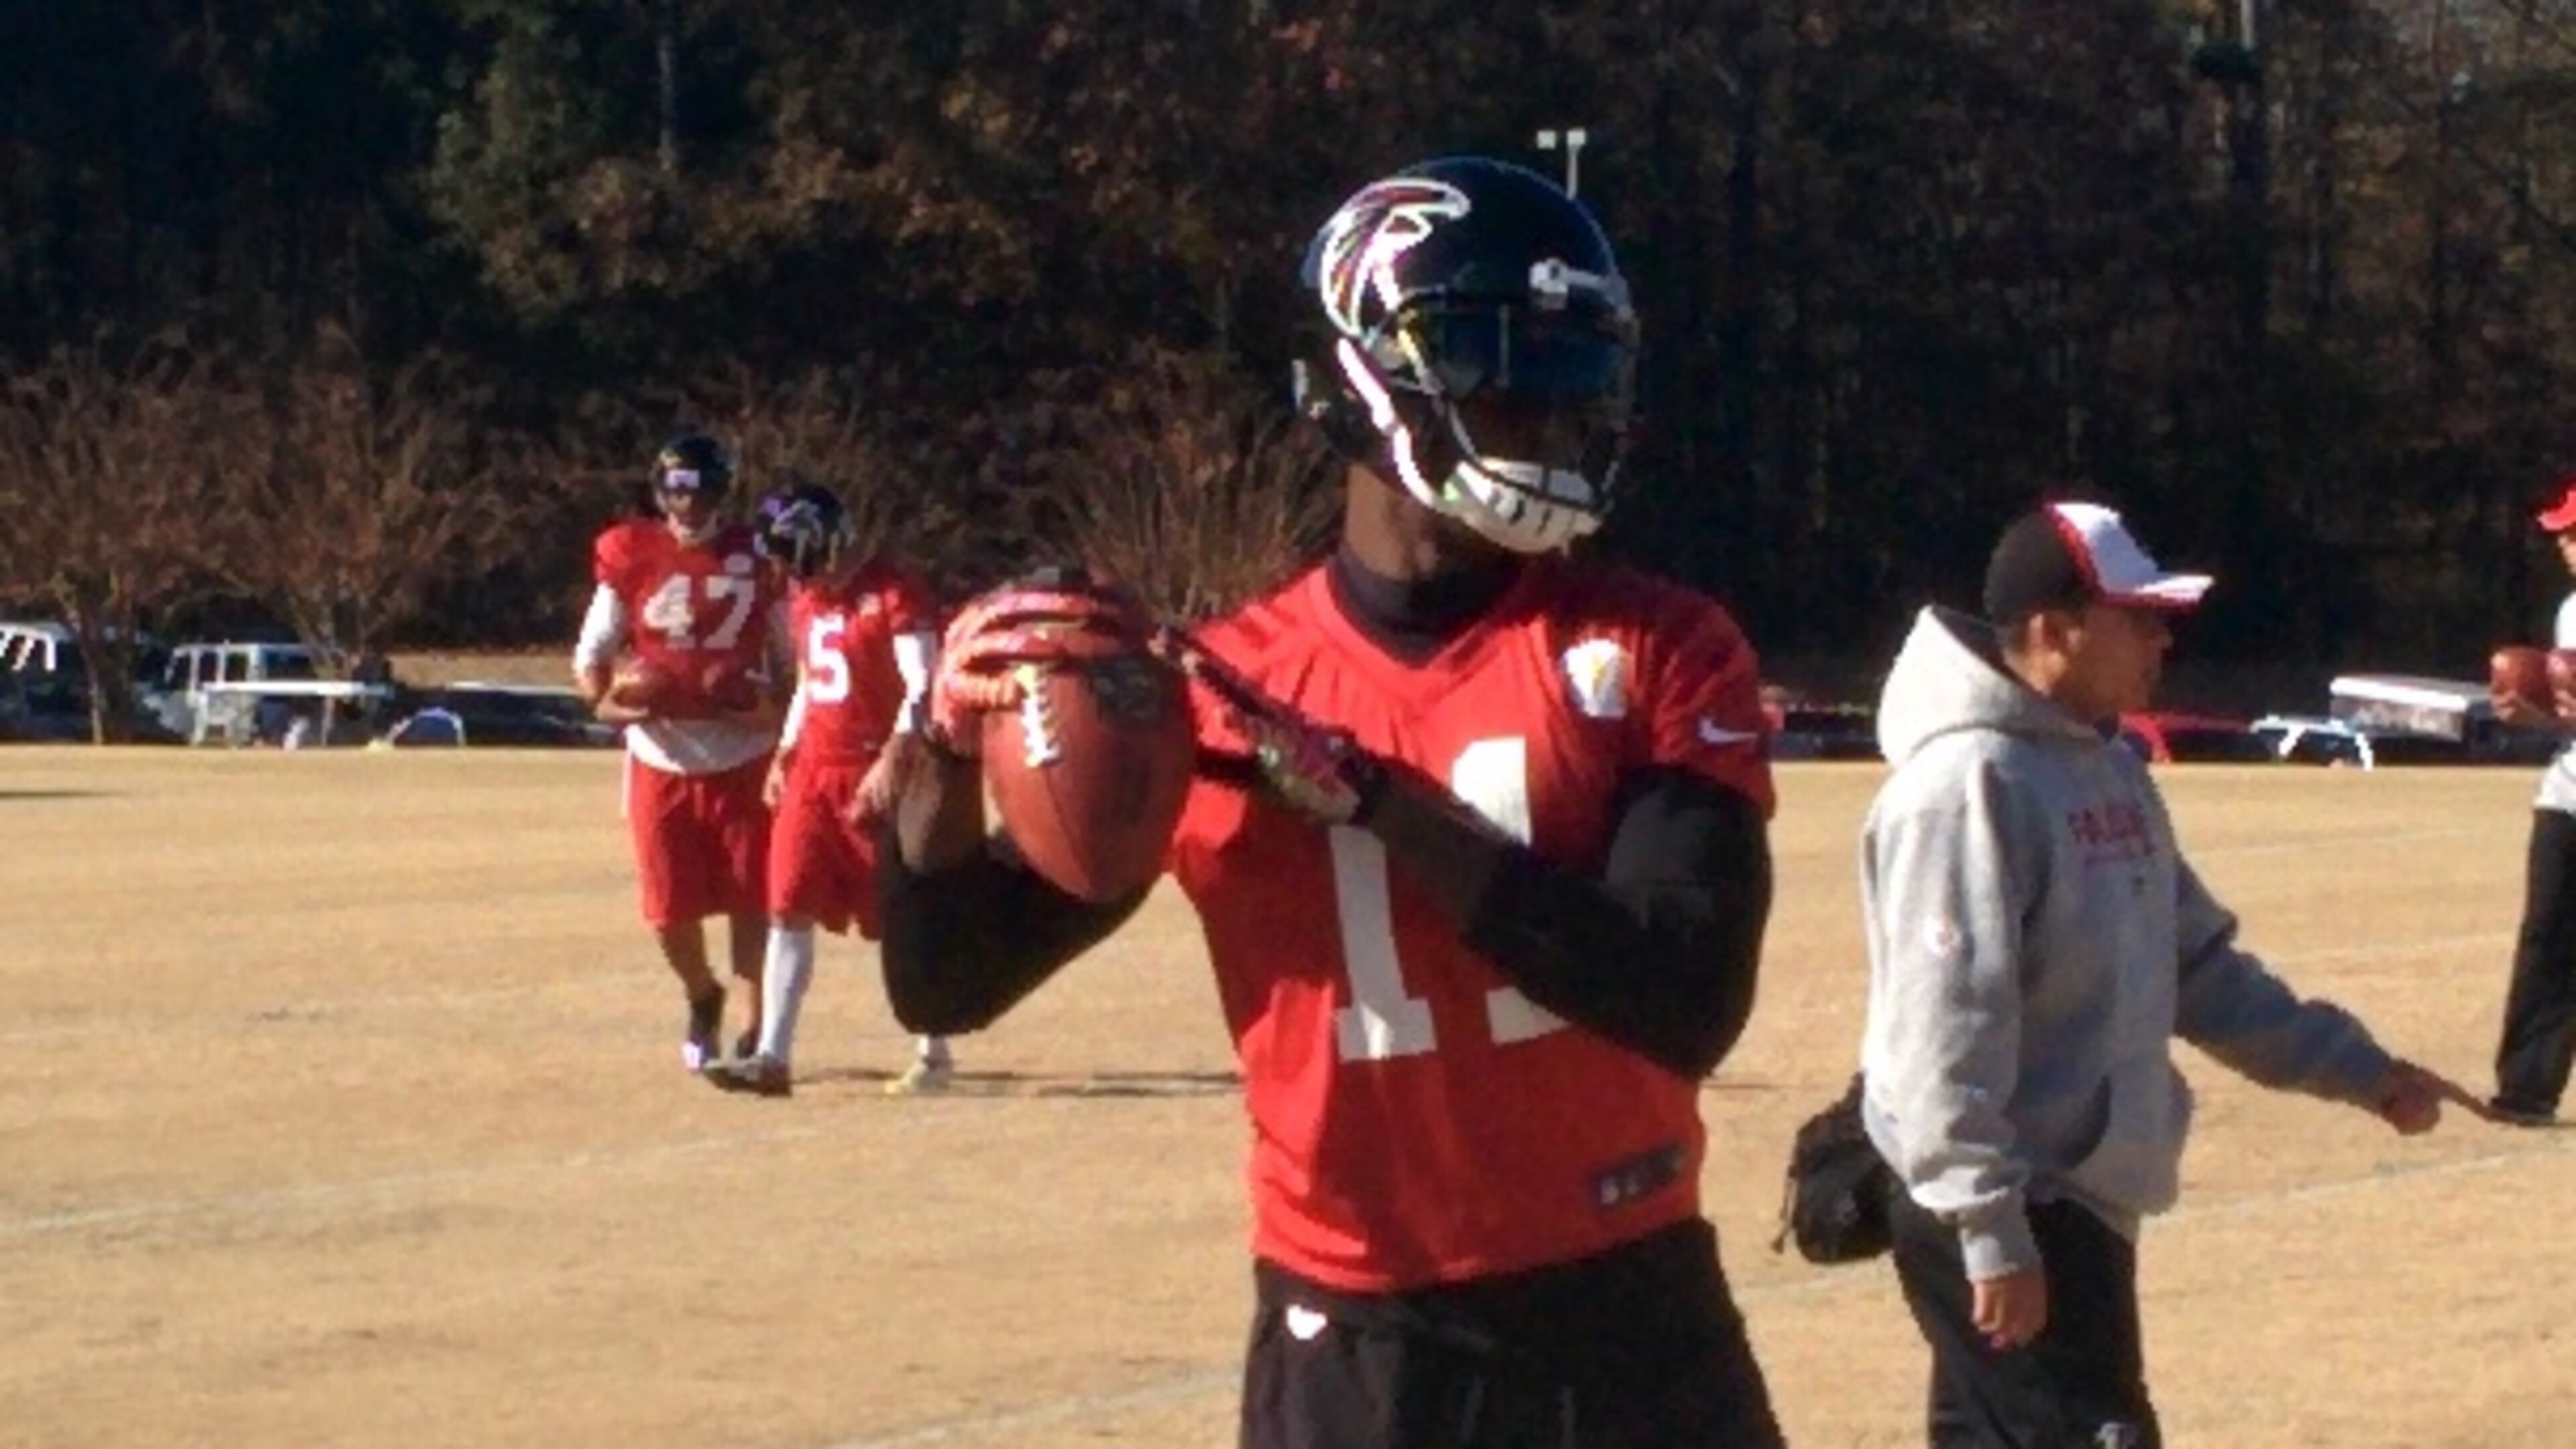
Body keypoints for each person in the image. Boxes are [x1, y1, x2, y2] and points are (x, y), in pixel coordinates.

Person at [882, 156, 1786, 1447]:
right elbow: (946, 984)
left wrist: (1377, 803)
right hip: (1362, 1339)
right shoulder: (1222, 688)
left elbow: (1688, 994)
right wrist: (938, 753)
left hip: (1629, 1306)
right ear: (1372, 371)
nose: (1549, 412)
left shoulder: (1658, 646)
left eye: (1576, 374)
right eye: (1506, 365)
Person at [1858, 498, 2479, 1448]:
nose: (2161, 641)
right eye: (2138, 617)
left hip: (2080, 1201)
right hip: (2002, 1200)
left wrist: (2363, 1072)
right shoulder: (1962, 788)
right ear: (2053, 629)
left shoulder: (2110, 767)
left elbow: (2197, 968)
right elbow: (1944, 1031)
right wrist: (1989, 1229)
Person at [704, 482, 955, 1098]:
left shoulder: (894, 593)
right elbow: (814, 686)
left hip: (876, 771)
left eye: (789, 553)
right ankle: (773, 1057)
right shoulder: (803, 600)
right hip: (815, 770)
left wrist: (895, 758)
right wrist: (787, 752)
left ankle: (935, 1048)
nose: (784, 568)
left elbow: (924, 689)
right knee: (787, 901)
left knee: (901, 917)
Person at [574, 433, 789, 1073]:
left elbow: (791, 661)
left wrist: (770, 710)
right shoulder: (631, 551)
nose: (685, 503)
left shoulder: (760, 556)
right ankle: (703, 994)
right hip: (660, 753)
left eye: (697, 489)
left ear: (721, 490)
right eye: (674, 488)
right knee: (668, 908)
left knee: (754, 897)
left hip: (744, 751)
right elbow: (592, 656)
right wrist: (607, 702)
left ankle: (757, 1025)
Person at [2484, 479, 2576, 1126]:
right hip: (2570, 793)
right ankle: (2526, 1090)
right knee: (2546, 937)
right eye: (2563, 534)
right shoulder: (2572, 611)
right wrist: (2536, 714)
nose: (2565, 544)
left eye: (2574, 532)